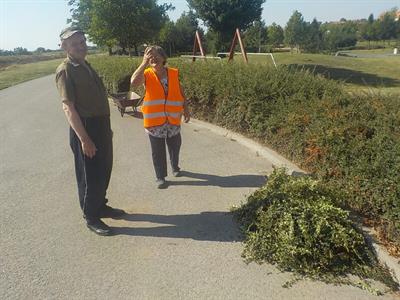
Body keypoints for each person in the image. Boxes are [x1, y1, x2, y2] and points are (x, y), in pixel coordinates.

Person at [55, 26, 125, 236]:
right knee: (90, 174)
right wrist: (85, 139)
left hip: (101, 125)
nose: (80, 46)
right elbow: (68, 107)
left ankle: (100, 205)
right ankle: (91, 216)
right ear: (65, 46)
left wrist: (106, 129)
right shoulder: (65, 70)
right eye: (74, 44)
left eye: (83, 42)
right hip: (85, 127)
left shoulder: (85, 65)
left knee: (104, 168)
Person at [131, 46, 190, 189]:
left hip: (173, 119)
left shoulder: (173, 73)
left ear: (164, 58)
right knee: (157, 150)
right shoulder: (146, 74)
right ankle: (160, 177)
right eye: (150, 57)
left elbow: (180, 91)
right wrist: (143, 62)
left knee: (175, 146)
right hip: (154, 120)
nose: (153, 58)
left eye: (156, 56)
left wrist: (186, 108)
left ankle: (175, 166)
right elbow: (133, 83)